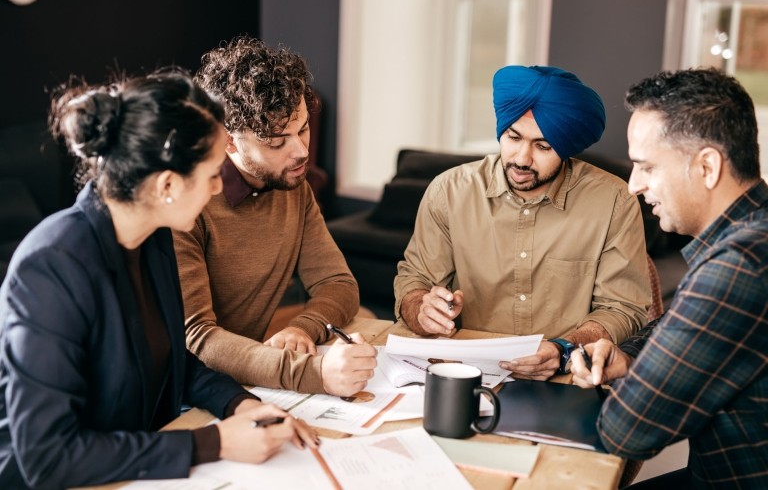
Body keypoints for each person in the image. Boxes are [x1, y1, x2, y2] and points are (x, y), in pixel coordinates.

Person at [0, 70, 319, 489]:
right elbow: (47, 457)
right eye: (211, 175)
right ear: (167, 184)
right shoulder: (49, 267)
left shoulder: (154, 239)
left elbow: (171, 362)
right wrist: (211, 443)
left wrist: (240, 403)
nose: (218, 191)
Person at [571, 68, 768, 489]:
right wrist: (629, 356)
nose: (633, 187)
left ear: (707, 166)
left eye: (645, 167)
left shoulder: (738, 267)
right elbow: (679, 322)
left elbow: (627, 429)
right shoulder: (753, 232)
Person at [394, 65, 652, 380]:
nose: (521, 158)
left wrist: (564, 348)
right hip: (465, 374)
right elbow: (414, 279)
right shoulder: (449, 191)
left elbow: (622, 308)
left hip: (567, 377)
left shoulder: (614, 202)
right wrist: (421, 307)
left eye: (543, 146)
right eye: (513, 137)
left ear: (567, 147)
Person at [173, 36, 376, 396]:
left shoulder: (294, 188)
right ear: (229, 140)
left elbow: (340, 285)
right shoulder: (187, 204)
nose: (301, 152)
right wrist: (311, 372)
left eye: (303, 129)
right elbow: (197, 338)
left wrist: (303, 328)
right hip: (182, 391)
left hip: (249, 380)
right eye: (276, 141)